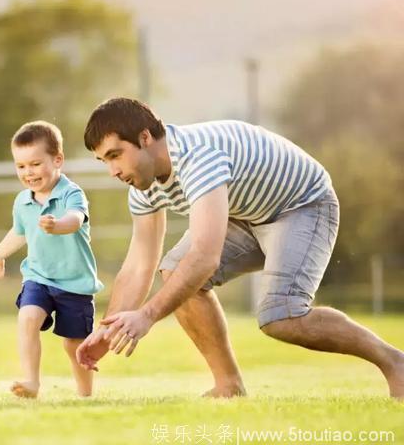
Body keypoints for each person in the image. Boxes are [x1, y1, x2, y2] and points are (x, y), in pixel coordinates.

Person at [75, 97, 404, 399]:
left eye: (115, 155)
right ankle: (228, 385)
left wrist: (147, 315)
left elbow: (205, 257)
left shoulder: (197, 157)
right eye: (104, 160)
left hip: (301, 205)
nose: (113, 171)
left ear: (145, 138)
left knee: (282, 317)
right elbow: (138, 265)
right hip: (245, 213)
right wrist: (108, 330)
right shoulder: (143, 186)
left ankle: (395, 361)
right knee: (175, 271)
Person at [0, 120, 103, 398]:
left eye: (35, 164)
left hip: (75, 283)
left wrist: (58, 225)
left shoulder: (72, 193)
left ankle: (85, 394)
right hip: (39, 277)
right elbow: (19, 231)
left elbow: (75, 219)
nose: (28, 172)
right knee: (28, 317)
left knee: (74, 345)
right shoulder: (22, 200)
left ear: (57, 160)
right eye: (21, 166)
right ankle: (31, 382)